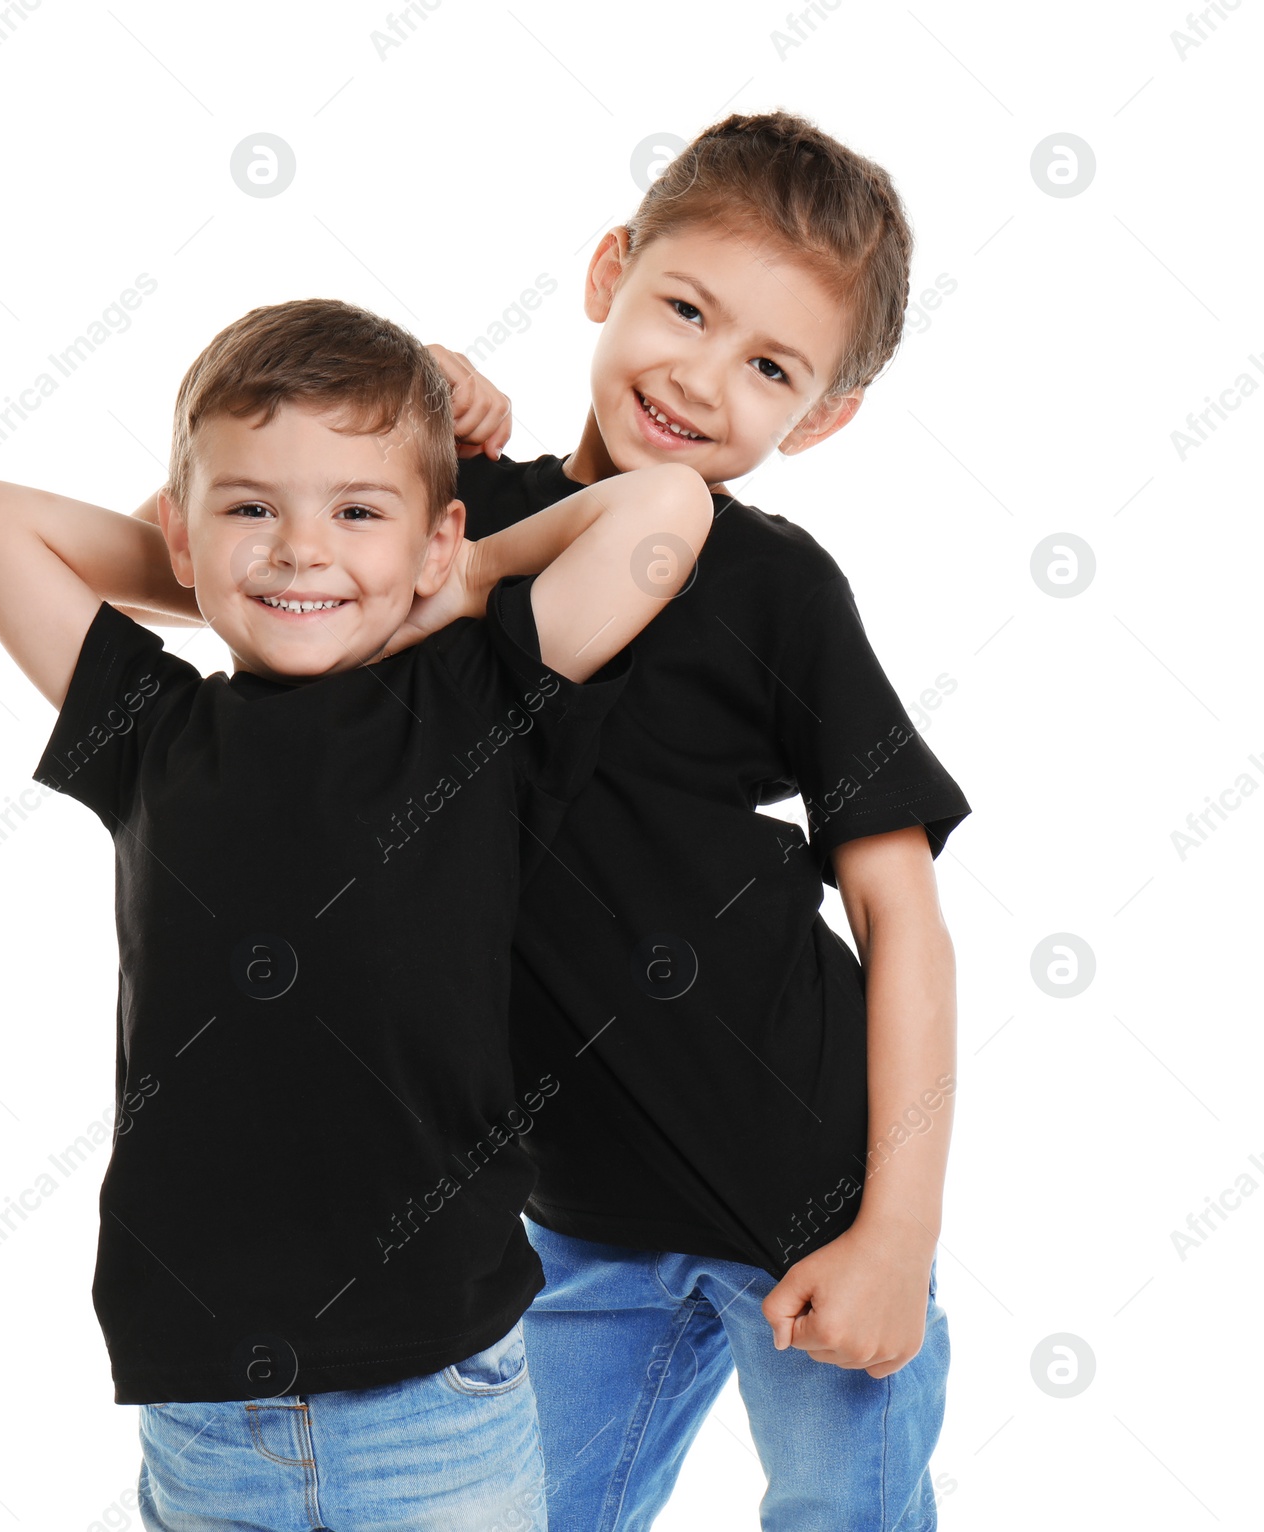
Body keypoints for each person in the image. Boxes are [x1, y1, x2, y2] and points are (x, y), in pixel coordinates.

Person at [113, 109, 975, 1531]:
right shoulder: (446, 524)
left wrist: (898, 1230)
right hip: (569, 1225)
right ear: (608, 271)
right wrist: (400, 418)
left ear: (820, 416)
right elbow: (215, 551)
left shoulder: (780, 596)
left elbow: (903, 919)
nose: (701, 378)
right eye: (684, 309)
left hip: (809, 1187)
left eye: (769, 366)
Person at [0, 295, 712, 1532]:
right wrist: (240, 579)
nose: (303, 548)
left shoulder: (474, 701)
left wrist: (452, 579)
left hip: (436, 1391)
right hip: (203, 1404)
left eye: (356, 510)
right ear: (179, 533)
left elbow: (664, 512)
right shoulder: (151, 730)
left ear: (438, 535)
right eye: (253, 506)